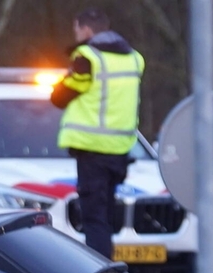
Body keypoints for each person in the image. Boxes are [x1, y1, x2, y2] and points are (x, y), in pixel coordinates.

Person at [51, 8, 144, 259]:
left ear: (86, 30)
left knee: (94, 218)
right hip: (121, 149)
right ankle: (108, 269)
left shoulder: (87, 58)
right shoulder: (134, 58)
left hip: (92, 150)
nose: (77, 35)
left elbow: (61, 96)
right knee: (106, 218)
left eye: (77, 30)